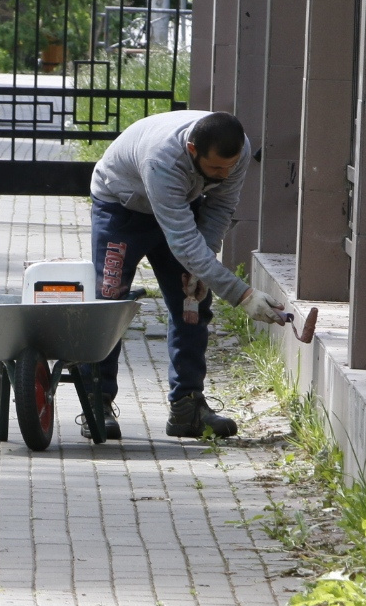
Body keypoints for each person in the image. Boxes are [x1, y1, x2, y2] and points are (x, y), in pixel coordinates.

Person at [88, 108, 289, 439]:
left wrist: (205, 260)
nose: (223, 174)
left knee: (191, 303)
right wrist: (243, 295)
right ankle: (98, 402)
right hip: (122, 207)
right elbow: (182, 242)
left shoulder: (234, 151)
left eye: (230, 166)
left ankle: (187, 405)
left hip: (181, 203)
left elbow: (221, 206)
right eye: (214, 168)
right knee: (109, 303)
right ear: (192, 150)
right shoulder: (163, 159)